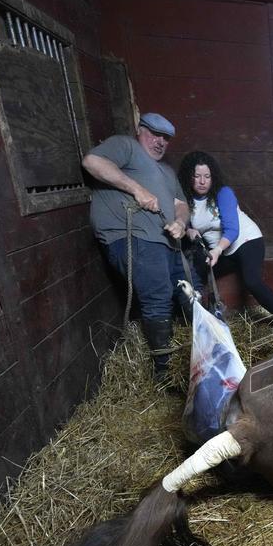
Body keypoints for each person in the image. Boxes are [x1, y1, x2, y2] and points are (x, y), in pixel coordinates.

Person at [81, 112, 198, 379]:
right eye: (154, 134)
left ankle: (204, 353)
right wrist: (137, 189)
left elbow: (181, 205)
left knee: (191, 291)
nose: (160, 142)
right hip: (135, 237)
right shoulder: (126, 146)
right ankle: (164, 372)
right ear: (140, 130)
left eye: (165, 138)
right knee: (158, 297)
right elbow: (92, 161)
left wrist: (180, 223)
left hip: (168, 242)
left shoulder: (167, 171)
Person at [177, 151, 273, 327]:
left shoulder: (223, 193)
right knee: (195, 272)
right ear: (189, 176)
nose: (202, 182)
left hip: (245, 240)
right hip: (220, 250)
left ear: (213, 177)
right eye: (197, 176)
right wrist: (188, 229)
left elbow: (232, 229)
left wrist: (217, 250)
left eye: (207, 176)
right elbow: (182, 218)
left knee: (251, 281)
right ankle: (210, 315)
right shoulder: (187, 201)